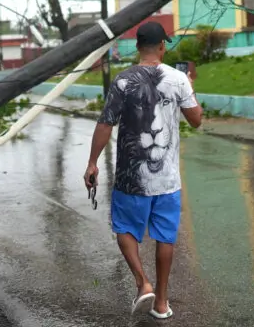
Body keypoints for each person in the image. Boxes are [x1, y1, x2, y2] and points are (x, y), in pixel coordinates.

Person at [84, 22, 203, 320]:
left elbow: (105, 123)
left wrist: (92, 162)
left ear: (138, 47)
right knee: (165, 238)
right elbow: (197, 120)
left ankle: (142, 281)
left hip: (130, 179)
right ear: (163, 46)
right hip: (167, 180)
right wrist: (191, 86)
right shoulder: (178, 79)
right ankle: (161, 303)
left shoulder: (123, 81)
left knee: (124, 229)